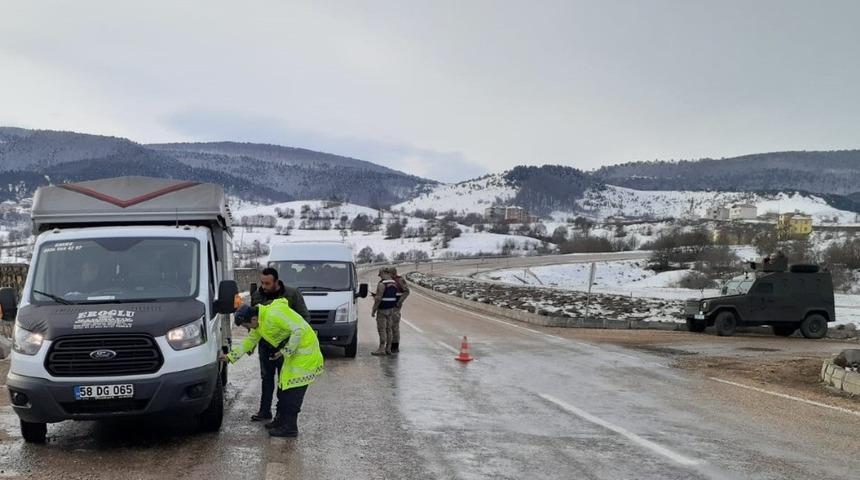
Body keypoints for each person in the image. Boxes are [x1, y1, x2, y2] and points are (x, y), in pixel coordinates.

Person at [222, 300, 323, 437]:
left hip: (305, 354)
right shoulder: (260, 322)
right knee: (284, 387)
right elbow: (249, 341)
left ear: (253, 318)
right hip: (294, 355)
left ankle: (290, 428)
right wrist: (230, 357)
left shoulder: (273, 315)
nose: (249, 329)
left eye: (247, 325)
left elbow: (298, 330)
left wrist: (285, 351)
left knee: (293, 392)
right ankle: (281, 420)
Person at [250, 267, 310, 424]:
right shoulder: (257, 295)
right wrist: (251, 344)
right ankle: (264, 411)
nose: (264, 286)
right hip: (265, 346)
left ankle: (280, 415)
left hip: (285, 348)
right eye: (262, 283)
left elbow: (304, 319)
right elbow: (254, 321)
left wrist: (289, 342)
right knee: (266, 379)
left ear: (276, 282)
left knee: (284, 381)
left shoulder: (292, 294)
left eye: (267, 283)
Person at [370, 267, 399, 356]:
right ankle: (388, 348)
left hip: (382, 310)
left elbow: (378, 298)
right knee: (389, 329)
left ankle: (381, 348)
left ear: (383, 273)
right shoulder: (394, 283)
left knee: (382, 329)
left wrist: (374, 309)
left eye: (380, 274)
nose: (380, 277)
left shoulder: (382, 284)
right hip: (391, 309)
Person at [389, 267, 410, 354]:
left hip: (395, 307)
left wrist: (400, 301)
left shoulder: (400, 280)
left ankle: (395, 346)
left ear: (393, 273)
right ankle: (388, 345)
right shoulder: (388, 281)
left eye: (389, 273)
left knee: (394, 326)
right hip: (388, 307)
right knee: (388, 326)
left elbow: (407, 291)